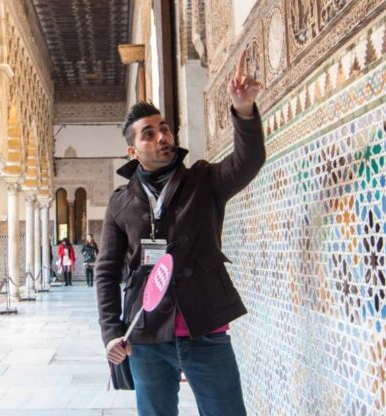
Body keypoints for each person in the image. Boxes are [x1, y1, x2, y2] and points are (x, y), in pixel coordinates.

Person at [95, 50, 265, 416]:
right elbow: (106, 272)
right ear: (132, 149)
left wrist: (244, 112)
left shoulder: (203, 180)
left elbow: (246, 162)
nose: (162, 137)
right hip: (147, 335)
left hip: (205, 328)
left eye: (165, 128)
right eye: (149, 133)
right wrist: (111, 331)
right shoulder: (121, 203)